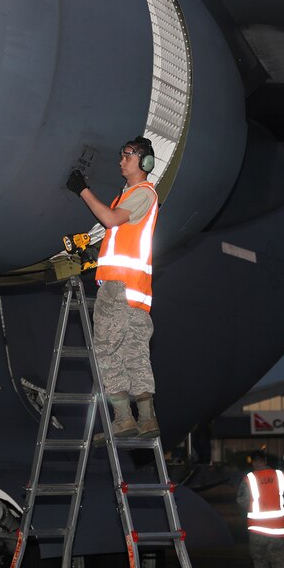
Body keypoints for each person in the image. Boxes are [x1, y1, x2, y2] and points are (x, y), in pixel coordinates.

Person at [65, 137, 159, 438]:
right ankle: (146, 419)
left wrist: (82, 190)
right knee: (135, 355)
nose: (122, 161)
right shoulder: (132, 196)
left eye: (128, 156)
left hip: (119, 288)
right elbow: (121, 236)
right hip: (136, 292)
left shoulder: (141, 194)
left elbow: (109, 219)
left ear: (144, 163)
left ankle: (122, 417)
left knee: (106, 350)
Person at [236, 451, 284, 568]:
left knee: (260, 559)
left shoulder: (250, 479)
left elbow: (242, 500)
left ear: (253, 462)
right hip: (279, 527)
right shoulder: (280, 476)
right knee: (279, 556)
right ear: (265, 460)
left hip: (258, 527)